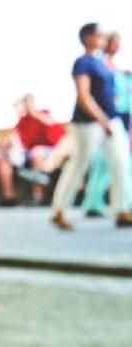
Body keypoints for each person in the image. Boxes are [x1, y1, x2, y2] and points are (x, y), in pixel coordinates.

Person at [51, 23, 132, 230]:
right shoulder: (83, 63)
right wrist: (102, 120)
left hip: (111, 120)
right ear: (87, 37)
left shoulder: (102, 63)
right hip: (90, 123)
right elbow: (84, 97)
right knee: (79, 164)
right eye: (98, 35)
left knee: (121, 163)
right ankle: (59, 209)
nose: (102, 38)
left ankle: (122, 209)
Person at [0, 95, 66, 205]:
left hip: (49, 153)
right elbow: (13, 139)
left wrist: (33, 112)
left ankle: (38, 195)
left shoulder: (43, 114)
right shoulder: (22, 122)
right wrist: (2, 145)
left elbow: (55, 130)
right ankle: (3, 196)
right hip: (25, 155)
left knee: (37, 152)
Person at [83, 32, 132, 217]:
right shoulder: (99, 64)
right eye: (113, 42)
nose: (116, 46)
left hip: (121, 117)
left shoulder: (114, 68)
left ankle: (98, 202)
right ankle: (116, 206)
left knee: (114, 162)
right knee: (112, 162)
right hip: (110, 117)